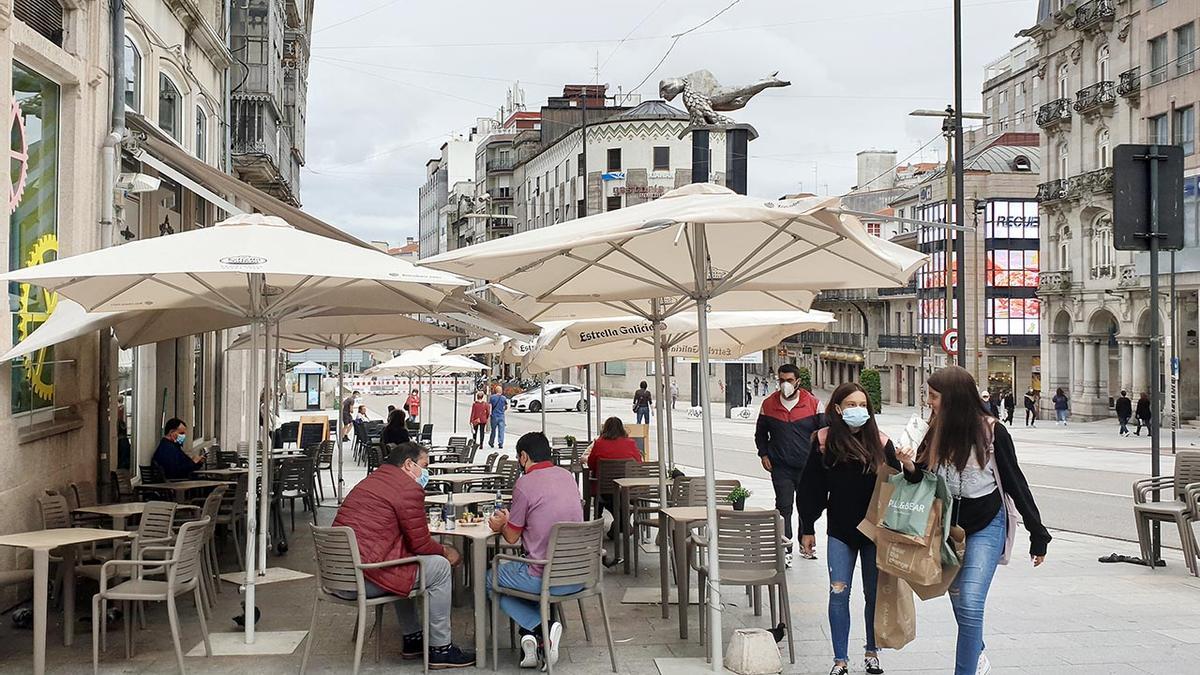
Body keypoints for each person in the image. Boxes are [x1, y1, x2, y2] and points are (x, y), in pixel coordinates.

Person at [917, 366, 1049, 675]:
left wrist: (1037, 532)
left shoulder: (992, 430)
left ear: (953, 398)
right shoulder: (934, 429)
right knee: (960, 600)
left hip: (987, 523)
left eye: (934, 396)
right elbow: (919, 478)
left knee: (971, 603)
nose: (929, 402)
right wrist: (908, 462)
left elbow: (1016, 482)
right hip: (948, 528)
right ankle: (977, 650)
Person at [800, 383, 920, 675]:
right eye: (851, 405)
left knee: (873, 595)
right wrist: (807, 527)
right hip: (840, 531)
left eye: (862, 405)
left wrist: (909, 465)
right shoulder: (823, 441)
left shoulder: (881, 443)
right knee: (838, 593)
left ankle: (871, 651)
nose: (858, 410)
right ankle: (840, 660)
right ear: (838, 409)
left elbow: (906, 488)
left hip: (875, 533)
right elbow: (810, 488)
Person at [332, 442, 473, 668]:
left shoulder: (370, 482)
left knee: (404, 564)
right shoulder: (407, 488)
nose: (426, 473)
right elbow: (420, 543)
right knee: (439, 567)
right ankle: (440, 649)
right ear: (409, 464)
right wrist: (447, 551)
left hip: (338, 576)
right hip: (363, 577)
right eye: (424, 466)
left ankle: (413, 639)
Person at [486, 433, 584, 670]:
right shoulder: (567, 477)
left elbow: (511, 537)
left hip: (545, 577)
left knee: (491, 579)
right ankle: (532, 639)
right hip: (580, 575)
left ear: (523, 456)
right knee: (516, 576)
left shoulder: (525, 484)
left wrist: (501, 524)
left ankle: (542, 627)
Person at [755, 363, 826, 567]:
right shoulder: (768, 404)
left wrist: (821, 460)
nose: (785, 384)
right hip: (781, 466)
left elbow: (824, 433)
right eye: (782, 380)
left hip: (808, 467)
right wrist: (764, 454)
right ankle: (786, 549)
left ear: (798, 382)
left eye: (789, 380)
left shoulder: (813, 404)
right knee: (784, 507)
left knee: (807, 507)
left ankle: (807, 545)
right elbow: (760, 434)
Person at [582, 417, 643, 540]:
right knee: (622, 502)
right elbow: (638, 463)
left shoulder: (599, 443)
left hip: (604, 490)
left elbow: (591, 465)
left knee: (610, 500)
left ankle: (619, 524)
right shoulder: (630, 443)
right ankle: (621, 523)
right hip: (627, 490)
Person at [488, 384, 509, 449]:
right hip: (501, 416)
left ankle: (491, 442)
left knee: (493, 430)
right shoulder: (503, 398)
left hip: (494, 416)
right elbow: (506, 406)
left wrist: (490, 414)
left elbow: (490, 406)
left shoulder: (492, 397)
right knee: (501, 430)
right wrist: (503, 410)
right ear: (501, 391)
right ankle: (500, 443)